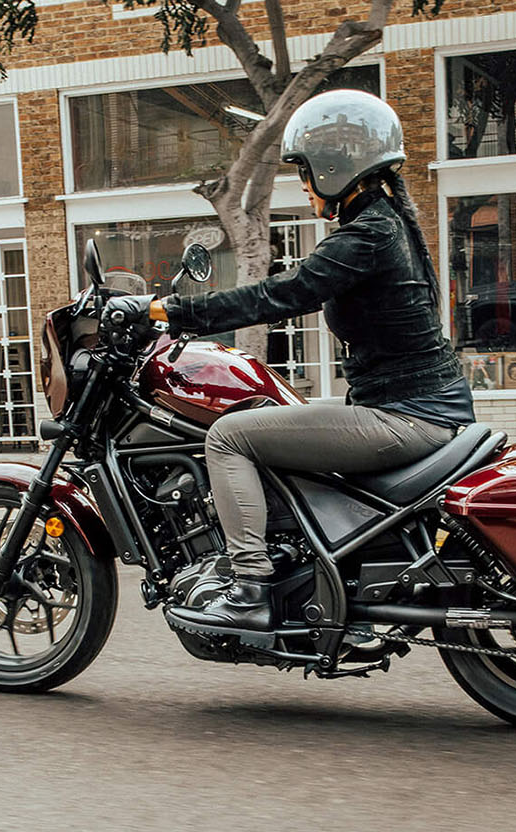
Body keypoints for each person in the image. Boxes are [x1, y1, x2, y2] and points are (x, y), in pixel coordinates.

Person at [130, 90, 474, 634]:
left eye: (306, 172)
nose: (306, 185)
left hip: (407, 418)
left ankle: (250, 590)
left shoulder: (367, 235)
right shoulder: (387, 224)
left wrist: (168, 311)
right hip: (418, 410)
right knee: (273, 418)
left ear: (334, 169)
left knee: (228, 437)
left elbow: (283, 294)